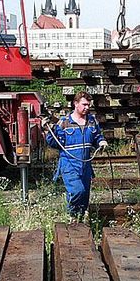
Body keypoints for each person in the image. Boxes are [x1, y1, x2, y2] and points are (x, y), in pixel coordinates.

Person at [45, 91, 108, 221]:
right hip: (69, 164)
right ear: (75, 103)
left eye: (88, 105)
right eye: (84, 104)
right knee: (77, 191)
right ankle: (72, 216)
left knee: (84, 195)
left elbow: (97, 136)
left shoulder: (92, 121)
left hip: (86, 165)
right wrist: (50, 129)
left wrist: (101, 141)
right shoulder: (64, 122)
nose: (87, 107)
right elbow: (53, 143)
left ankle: (81, 220)